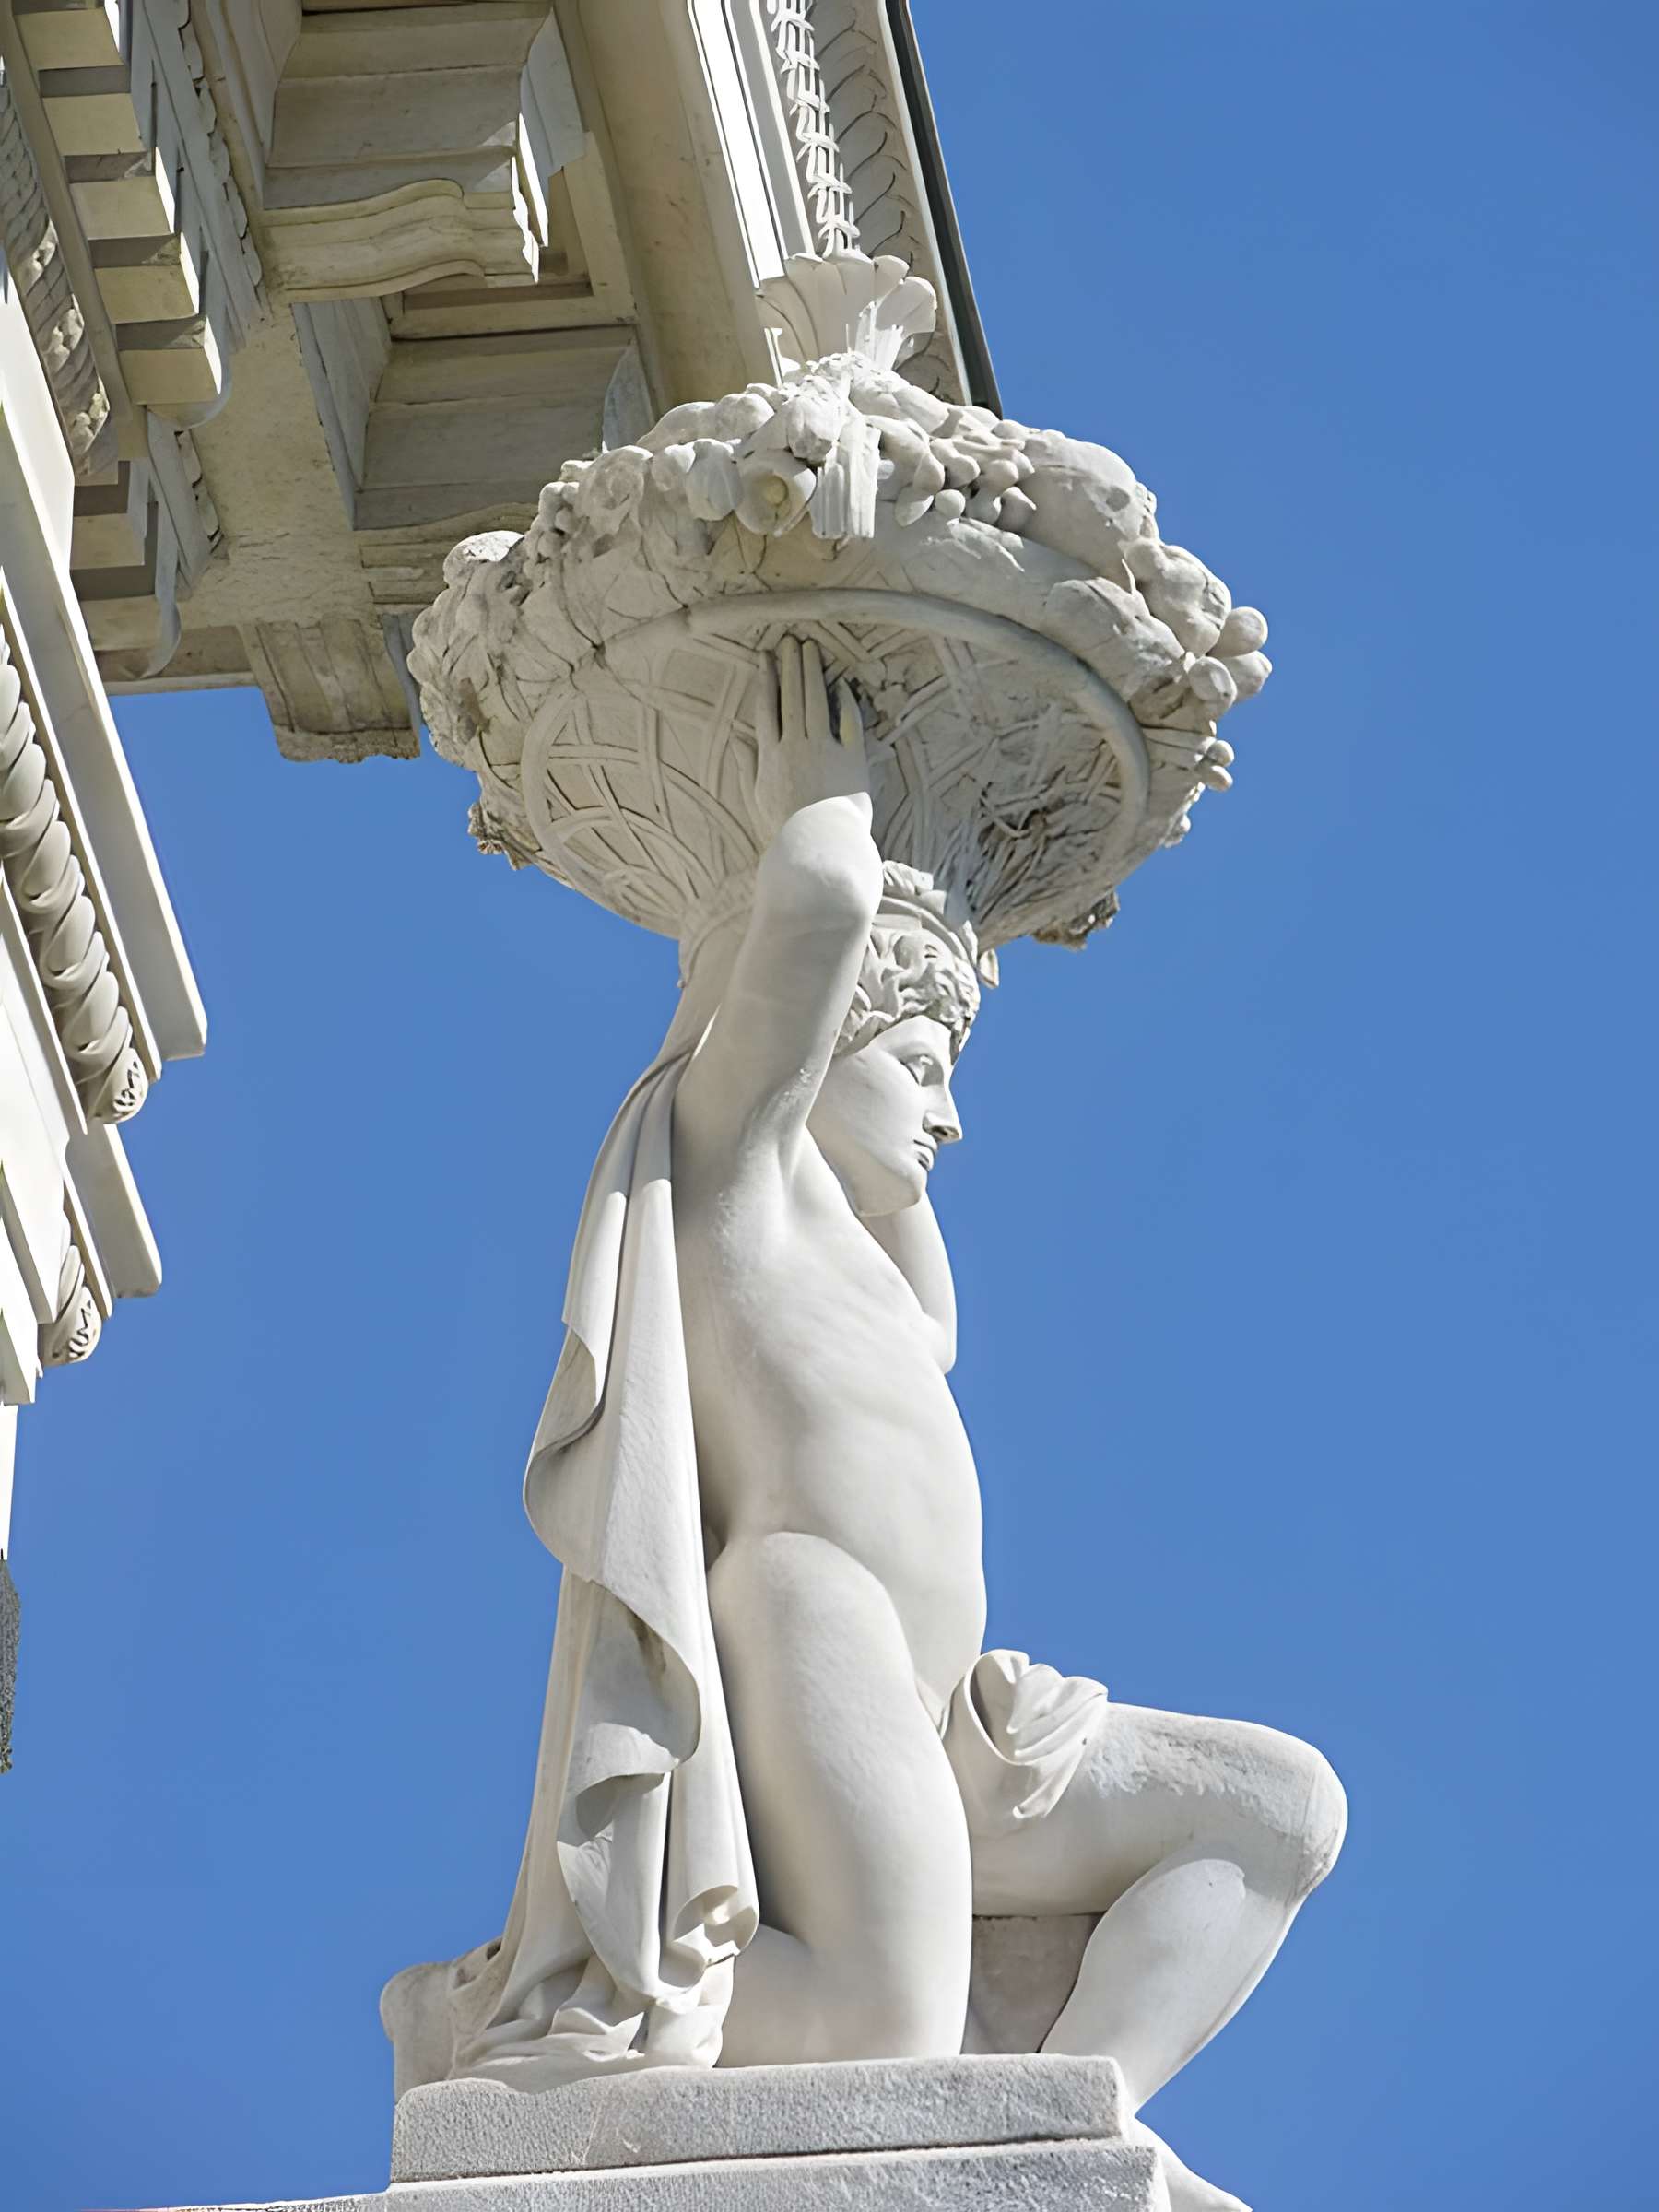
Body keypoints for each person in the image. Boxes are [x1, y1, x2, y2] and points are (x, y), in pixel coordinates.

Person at [385, 638, 1344, 2212]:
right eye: (919, 1066)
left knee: (1278, 1808)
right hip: (809, 1622)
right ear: (809, 1046)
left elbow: (924, 1273)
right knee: (876, 2028)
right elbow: (821, 922)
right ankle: (508, 1998)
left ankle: (1039, 2113)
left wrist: (926, 1003)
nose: (950, 1112)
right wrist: (818, 796)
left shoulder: (889, 1285)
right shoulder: (728, 1177)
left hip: (959, 1712)